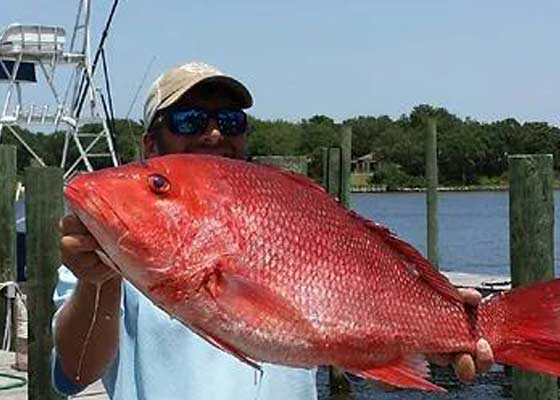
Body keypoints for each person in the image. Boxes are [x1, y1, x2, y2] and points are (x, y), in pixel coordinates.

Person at [52, 61, 494, 399]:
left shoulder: (285, 211)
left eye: (229, 122)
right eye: (188, 120)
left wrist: (436, 326)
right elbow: (73, 375)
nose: (211, 133)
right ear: (150, 144)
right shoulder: (101, 249)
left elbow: (357, 303)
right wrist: (97, 284)